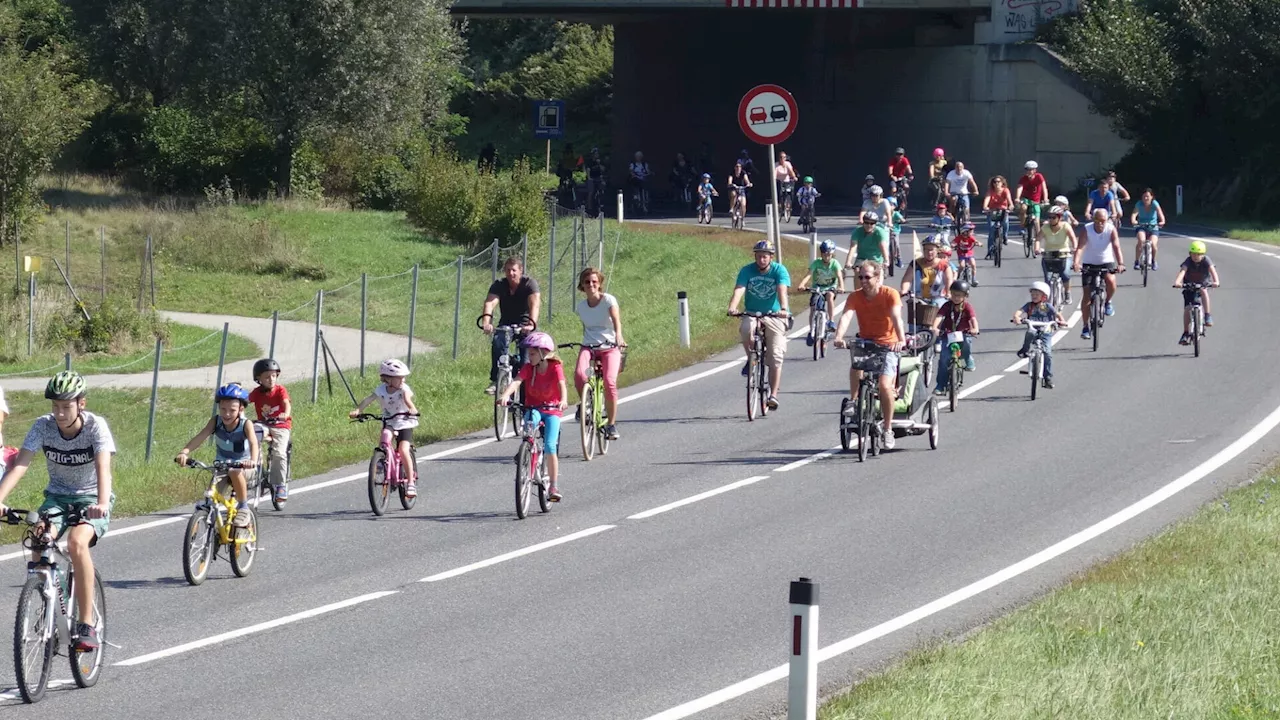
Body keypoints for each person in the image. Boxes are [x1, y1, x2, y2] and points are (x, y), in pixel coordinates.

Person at [0, 371, 113, 651]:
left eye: (66, 406)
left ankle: (86, 623)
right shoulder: (43, 426)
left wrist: (100, 502)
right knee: (39, 538)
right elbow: (21, 465)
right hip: (57, 498)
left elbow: (103, 468)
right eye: (55, 406)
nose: (60, 413)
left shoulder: (95, 427)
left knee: (77, 543)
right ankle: (50, 605)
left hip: (90, 499)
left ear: (81, 404)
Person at [833, 260, 907, 449]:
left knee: (884, 385)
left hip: (889, 344)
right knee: (856, 363)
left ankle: (888, 429)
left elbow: (897, 317)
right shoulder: (855, 297)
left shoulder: (890, 294)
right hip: (866, 341)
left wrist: (901, 339)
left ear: (877, 276)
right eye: (860, 277)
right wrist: (839, 337)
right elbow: (846, 316)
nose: (863, 281)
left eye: (867, 277)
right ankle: (854, 400)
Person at [176, 382, 260, 525]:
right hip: (221, 467)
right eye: (223, 409)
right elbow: (200, 437)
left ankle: (243, 507)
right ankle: (208, 531)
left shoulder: (246, 424)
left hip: (244, 467)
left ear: (240, 409)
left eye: (232, 410)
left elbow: (254, 443)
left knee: (234, 471)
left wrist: (252, 460)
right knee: (211, 498)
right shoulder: (216, 421)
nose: (226, 414)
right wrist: (184, 452)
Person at [498, 332, 567, 501]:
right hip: (534, 407)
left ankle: (553, 486)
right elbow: (517, 381)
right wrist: (506, 395)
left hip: (552, 410)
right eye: (529, 353)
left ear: (543, 353)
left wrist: (563, 400)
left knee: (550, 446)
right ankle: (527, 451)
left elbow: (562, 385)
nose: (529, 356)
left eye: (533, 353)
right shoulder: (529, 368)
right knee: (529, 428)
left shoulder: (555, 367)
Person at [728, 240, 792, 411]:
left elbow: (782, 290)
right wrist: (733, 307)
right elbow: (740, 289)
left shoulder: (779, 270)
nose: (761, 259)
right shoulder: (747, 270)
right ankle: (751, 358)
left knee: (776, 355)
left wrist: (784, 309)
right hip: (752, 312)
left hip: (775, 314)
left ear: (771, 257)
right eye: (759, 256)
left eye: (765, 256)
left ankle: (773, 395)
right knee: (746, 329)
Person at [348, 359, 419, 499]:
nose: (403, 379)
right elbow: (368, 400)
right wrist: (358, 410)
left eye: (403, 377)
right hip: (390, 421)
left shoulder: (404, 389)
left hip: (404, 421)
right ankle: (382, 460)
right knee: (385, 438)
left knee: (404, 449)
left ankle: (410, 482)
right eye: (400, 377)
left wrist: (412, 409)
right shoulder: (380, 390)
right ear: (388, 379)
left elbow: (407, 400)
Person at [574, 267, 625, 440]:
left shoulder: (608, 300)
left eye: (594, 281)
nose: (591, 285)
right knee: (580, 375)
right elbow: (587, 328)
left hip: (610, 346)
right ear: (582, 285)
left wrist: (618, 336)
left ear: (600, 283)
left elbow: (616, 321)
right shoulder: (581, 307)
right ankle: (585, 404)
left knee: (610, 382)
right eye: (587, 282)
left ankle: (611, 424)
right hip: (589, 347)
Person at [480, 257, 540, 395]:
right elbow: (490, 303)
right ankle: (496, 379)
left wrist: (531, 323)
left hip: (525, 326)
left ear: (520, 271)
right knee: (498, 341)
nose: (510, 273)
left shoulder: (529, 284)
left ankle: (527, 397)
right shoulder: (499, 284)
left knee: (526, 362)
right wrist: (486, 323)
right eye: (507, 270)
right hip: (506, 324)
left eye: (514, 270)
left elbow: (535, 304)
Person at [1074, 208, 1126, 340]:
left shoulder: (1111, 229)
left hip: (1106, 261)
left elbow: (1116, 246)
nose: (1100, 223)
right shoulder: (1087, 229)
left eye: (1103, 221)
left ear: (1107, 220)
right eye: (1097, 220)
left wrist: (1121, 263)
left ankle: (1108, 301)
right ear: (1093, 219)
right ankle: (1085, 326)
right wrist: (1076, 263)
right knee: (1086, 296)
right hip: (1089, 263)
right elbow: (1080, 247)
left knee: (1111, 281)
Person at [248, 358, 291, 505]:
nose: (271, 379)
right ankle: (255, 471)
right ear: (258, 379)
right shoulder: (257, 393)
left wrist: (285, 413)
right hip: (263, 424)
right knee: (252, 439)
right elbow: (244, 401)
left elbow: (286, 404)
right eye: (267, 376)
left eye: (273, 376)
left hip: (280, 425)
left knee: (279, 453)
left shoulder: (280, 390)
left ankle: (280, 485)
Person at [1013, 281, 1067, 389]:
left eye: (1037, 295)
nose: (1034, 296)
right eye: (1032, 294)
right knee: (1030, 333)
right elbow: (1019, 312)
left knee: (1047, 352)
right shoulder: (1029, 306)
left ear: (1044, 297)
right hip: (1033, 328)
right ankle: (1024, 350)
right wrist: (1017, 318)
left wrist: (1062, 321)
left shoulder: (1047, 307)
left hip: (1046, 332)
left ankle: (1047, 377)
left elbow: (1057, 314)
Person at [933, 280, 979, 394]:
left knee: (967, 344)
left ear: (965, 296)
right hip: (948, 334)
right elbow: (939, 316)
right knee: (944, 359)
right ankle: (940, 385)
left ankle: (968, 358)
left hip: (963, 333)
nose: (956, 298)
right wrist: (935, 327)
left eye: (959, 295)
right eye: (954, 294)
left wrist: (975, 329)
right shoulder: (947, 305)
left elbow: (973, 319)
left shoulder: (967, 307)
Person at [900, 236, 954, 332]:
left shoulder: (944, 265)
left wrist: (948, 292)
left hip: (938, 298)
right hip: (918, 297)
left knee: (939, 322)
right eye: (926, 250)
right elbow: (907, 279)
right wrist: (904, 289)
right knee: (914, 325)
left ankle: (937, 340)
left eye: (932, 250)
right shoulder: (915, 264)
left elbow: (949, 280)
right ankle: (914, 339)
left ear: (937, 250)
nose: (929, 252)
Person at [1172, 240, 1221, 344]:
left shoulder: (1206, 260)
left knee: (1203, 291)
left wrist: (1216, 281)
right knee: (1187, 309)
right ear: (1190, 254)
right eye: (1193, 254)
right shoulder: (1188, 261)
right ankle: (1185, 333)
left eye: (1198, 254)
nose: (1195, 256)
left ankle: (1207, 315)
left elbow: (1213, 271)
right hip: (1189, 285)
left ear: (1203, 255)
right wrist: (1177, 282)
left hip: (1203, 283)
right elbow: (1183, 271)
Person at [797, 240, 845, 340]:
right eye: (824, 254)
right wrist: (802, 284)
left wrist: (841, 286)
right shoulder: (816, 263)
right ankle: (811, 331)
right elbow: (809, 274)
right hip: (817, 287)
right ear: (821, 253)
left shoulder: (834, 263)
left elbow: (839, 276)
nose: (826, 257)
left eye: (829, 254)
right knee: (813, 307)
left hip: (830, 287)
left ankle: (831, 321)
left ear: (832, 254)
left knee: (830, 296)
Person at [1039, 206, 1078, 303]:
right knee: (1047, 278)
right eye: (1049, 217)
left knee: (1065, 274)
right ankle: (1047, 297)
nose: (1051, 220)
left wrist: (1074, 248)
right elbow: (1038, 239)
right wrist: (1037, 248)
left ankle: (1067, 293)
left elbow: (1073, 238)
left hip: (1064, 254)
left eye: (1053, 217)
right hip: (1049, 255)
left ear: (1059, 218)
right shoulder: (1045, 227)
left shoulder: (1065, 226)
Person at [846, 212, 891, 290]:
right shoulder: (857, 231)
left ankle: (877, 291)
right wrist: (848, 262)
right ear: (863, 222)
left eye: (872, 223)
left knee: (879, 274)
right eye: (866, 222)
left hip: (876, 260)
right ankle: (858, 294)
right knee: (857, 271)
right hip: (862, 258)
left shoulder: (879, 232)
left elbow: (883, 247)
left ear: (875, 224)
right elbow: (853, 247)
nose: (869, 225)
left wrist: (886, 260)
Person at [1130, 188, 1166, 270]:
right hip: (1141, 226)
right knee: (1141, 240)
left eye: (1147, 196)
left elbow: (1160, 213)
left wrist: (1162, 221)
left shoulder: (1154, 203)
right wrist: (1133, 220)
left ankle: (1153, 261)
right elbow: (1134, 214)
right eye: (1144, 197)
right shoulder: (1139, 204)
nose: (1146, 198)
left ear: (1151, 197)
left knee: (1153, 244)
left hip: (1153, 227)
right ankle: (1137, 261)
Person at [1014, 160, 1049, 239]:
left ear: (1035, 170)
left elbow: (1044, 188)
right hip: (1025, 199)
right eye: (1027, 169)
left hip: (1036, 200)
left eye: (1031, 169)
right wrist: (1017, 198)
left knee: (1037, 221)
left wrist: (1046, 198)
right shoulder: (1023, 178)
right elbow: (1020, 188)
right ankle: (1022, 227)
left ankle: (1038, 238)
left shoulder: (1039, 176)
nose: (1029, 171)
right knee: (1023, 208)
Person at [982, 175, 1014, 259]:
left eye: (998, 182)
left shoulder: (1005, 190)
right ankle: (989, 251)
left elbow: (1010, 201)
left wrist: (1010, 206)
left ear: (1002, 183)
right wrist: (985, 207)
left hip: (1003, 210)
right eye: (994, 182)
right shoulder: (990, 191)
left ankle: (1005, 236)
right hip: (992, 211)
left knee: (1005, 222)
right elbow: (986, 200)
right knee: (991, 231)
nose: (996, 184)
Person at [585, 148, 607, 216]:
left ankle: (602, 204)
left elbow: (603, 170)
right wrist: (589, 178)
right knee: (591, 192)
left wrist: (599, 164)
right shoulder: (589, 162)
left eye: (597, 154)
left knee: (603, 188)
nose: (596, 155)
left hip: (599, 178)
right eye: (595, 154)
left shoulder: (600, 161)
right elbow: (588, 170)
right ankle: (589, 207)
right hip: (592, 178)